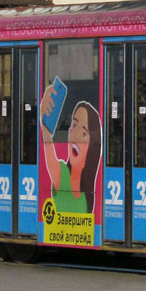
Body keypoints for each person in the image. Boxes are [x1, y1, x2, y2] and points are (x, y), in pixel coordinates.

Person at [40, 87, 102, 215]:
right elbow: (47, 139)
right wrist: (44, 115)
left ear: (92, 145)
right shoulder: (61, 173)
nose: (75, 136)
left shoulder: (88, 190)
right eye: (74, 125)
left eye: (84, 133)